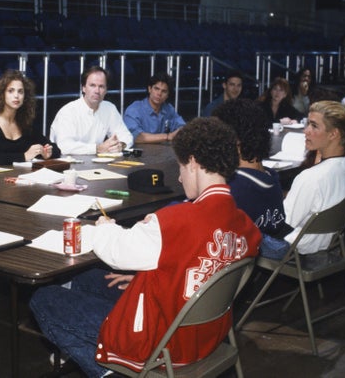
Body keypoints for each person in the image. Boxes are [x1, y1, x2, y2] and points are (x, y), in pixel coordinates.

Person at [29, 117, 261, 377]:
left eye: (181, 167)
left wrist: (105, 226)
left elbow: (117, 252)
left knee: (44, 298)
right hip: (207, 336)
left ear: (193, 163)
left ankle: (115, 373)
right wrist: (155, 275)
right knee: (88, 280)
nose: (180, 177)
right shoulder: (245, 225)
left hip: (164, 344)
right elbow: (199, 264)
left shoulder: (175, 221)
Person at [213, 98, 293, 258]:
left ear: (234, 139)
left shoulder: (233, 188)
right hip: (263, 257)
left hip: (238, 261)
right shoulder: (272, 177)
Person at [283, 101, 345, 255]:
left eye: (314, 126)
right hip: (331, 242)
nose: (306, 131)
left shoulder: (310, 178)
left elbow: (283, 224)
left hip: (296, 248)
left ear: (334, 134)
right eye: (307, 124)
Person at [0, 69, 60, 164]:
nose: (16, 96)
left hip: (24, 176)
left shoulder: (25, 123)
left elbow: (55, 149)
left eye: (20, 92)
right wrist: (24, 156)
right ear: (2, 94)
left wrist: (48, 153)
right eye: (11, 91)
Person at [49, 65, 133, 155]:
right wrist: (98, 148)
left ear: (106, 90)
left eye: (101, 86)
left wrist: (120, 145)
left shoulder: (109, 108)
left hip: (96, 163)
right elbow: (64, 146)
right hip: (66, 164)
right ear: (83, 88)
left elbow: (127, 136)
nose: (97, 91)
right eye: (92, 85)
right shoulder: (68, 111)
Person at [123, 72, 185, 144]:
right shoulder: (134, 109)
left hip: (163, 153)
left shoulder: (168, 108)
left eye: (164, 91)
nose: (159, 94)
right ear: (150, 89)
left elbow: (183, 127)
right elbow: (136, 137)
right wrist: (168, 136)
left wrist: (179, 131)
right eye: (156, 89)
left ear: (168, 95)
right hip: (141, 153)